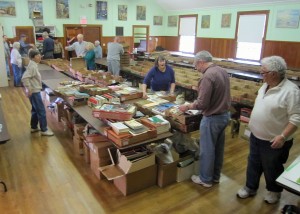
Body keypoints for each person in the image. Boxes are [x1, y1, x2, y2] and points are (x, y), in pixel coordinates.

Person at [237, 56, 300, 204]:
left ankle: (274, 192)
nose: (261, 74)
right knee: (253, 162)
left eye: (263, 72)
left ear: (274, 73)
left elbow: (296, 118)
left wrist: (283, 136)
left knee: (272, 166)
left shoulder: (291, 91)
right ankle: (250, 187)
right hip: (256, 135)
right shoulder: (264, 86)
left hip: (274, 140)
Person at [179, 50, 231, 188]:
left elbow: (202, 104)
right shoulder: (222, 71)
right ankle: (215, 177)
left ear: (201, 62)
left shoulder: (207, 76)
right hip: (224, 115)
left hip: (212, 118)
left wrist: (188, 106)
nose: (197, 69)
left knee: (207, 150)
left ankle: (205, 179)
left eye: (196, 66)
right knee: (218, 149)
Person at [21, 50, 54, 136]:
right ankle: (44, 130)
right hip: (34, 91)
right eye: (38, 55)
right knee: (41, 110)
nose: (40, 57)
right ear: (34, 57)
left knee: (35, 109)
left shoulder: (33, 64)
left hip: (34, 90)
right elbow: (24, 78)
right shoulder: (32, 66)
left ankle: (34, 127)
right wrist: (28, 88)